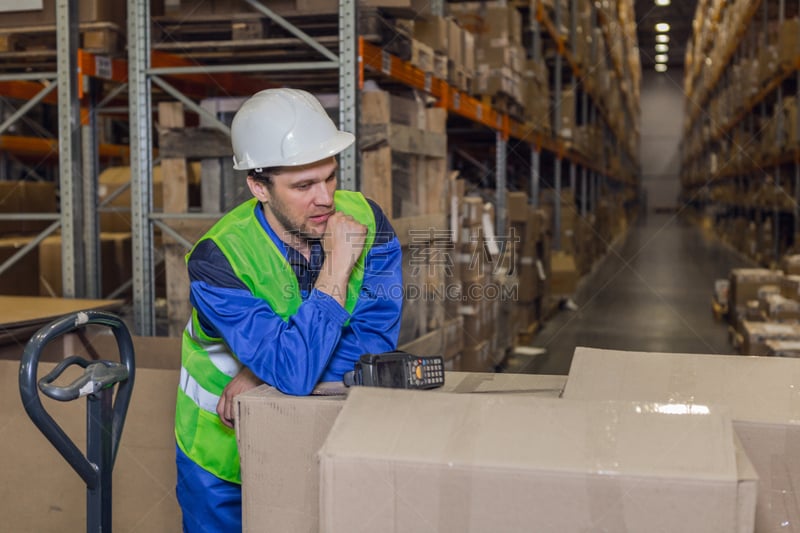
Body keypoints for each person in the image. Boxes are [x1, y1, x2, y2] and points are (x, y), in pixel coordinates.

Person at [174, 88, 403, 532]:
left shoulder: (368, 221)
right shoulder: (219, 259)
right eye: (303, 186)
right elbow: (294, 372)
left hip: (318, 436)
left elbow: (373, 345)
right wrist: (337, 267)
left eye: (330, 177)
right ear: (258, 186)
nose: (327, 199)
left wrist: (263, 373)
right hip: (221, 458)